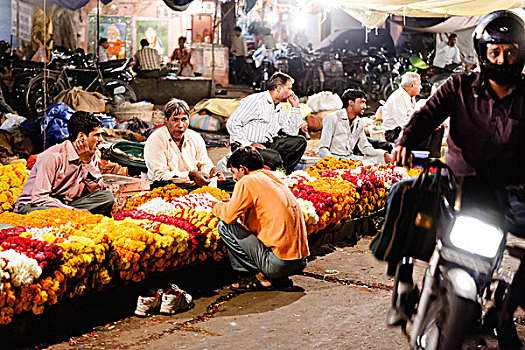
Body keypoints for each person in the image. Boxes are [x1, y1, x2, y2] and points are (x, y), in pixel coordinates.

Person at [387, 11, 525, 347]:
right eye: (495, 52)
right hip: (461, 185)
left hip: (513, 192)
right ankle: (403, 277)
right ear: (483, 53)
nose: (502, 59)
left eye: (510, 51)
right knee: (404, 195)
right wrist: (405, 141)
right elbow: (426, 115)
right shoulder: (459, 87)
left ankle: (505, 311)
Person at [211, 146, 309, 291]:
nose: (233, 178)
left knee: (225, 226)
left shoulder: (248, 181)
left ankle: (252, 277)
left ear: (242, 169)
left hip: (278, 264)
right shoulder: (271, 177)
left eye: (234, 172)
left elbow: (229, 216)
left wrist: (215, 205)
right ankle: (276, 278)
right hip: (300, 261)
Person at [14, 111, 114, 216]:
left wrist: (87, 163)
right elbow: (39, 199)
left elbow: (97, 191)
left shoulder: (90, 154)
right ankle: (71, 216)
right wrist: (71, 211)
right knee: (51, 214)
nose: (101, 139)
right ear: (81, 137)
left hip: (65, 204)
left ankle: (71, 215)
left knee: (107, 197)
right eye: (97, 135)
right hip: (35, 206)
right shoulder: (52, 156)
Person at [227, 72, 308, 174]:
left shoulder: (280, 108)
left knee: (300, 142)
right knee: (274, 158)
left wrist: (295, 107)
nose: (291, 92)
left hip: (267, 144)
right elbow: (233, 123)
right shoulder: (255, 101)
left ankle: (282, 175)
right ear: (279, 88)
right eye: (289, 88)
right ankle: (276, 176)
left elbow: (292, 132)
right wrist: (249, 144)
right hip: (245, 148)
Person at [144, 98, 230, 190]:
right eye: (175, 119)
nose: (180, 125)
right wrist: (190, 175)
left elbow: (203, 163)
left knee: (230, 185)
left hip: (193, 183)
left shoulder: (195, 137)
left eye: (184, 119)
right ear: (166, 121)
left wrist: (212, 171)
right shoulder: (156, 140)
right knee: (163, 184)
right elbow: (160, 175)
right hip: (170, 184)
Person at [318, 89, 392, 163]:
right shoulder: (332, 118)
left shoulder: (359, 122)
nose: (365, 106)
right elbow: (323, 149)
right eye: (362, 102)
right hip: (334, 162)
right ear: (351, 102)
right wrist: (336, 161)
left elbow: (365, 148)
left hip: (351, 161)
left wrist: (384, 154)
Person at [378, 72, 421, 143]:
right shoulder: (398, 97)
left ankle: (432, 154)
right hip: (394, 132)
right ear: (412, 85)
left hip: (405, 129)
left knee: (437, 128)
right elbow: (403, 123)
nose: (420, 87)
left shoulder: (410, 96)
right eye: (419, 84)